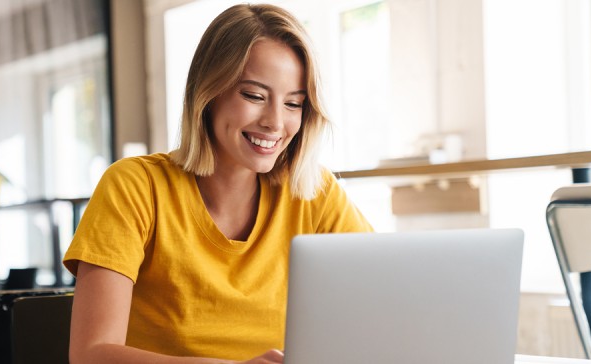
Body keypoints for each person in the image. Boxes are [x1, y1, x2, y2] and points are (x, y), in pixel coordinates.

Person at [63, 3, 372, 363]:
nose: (275, 122)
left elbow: (384, 298)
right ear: (208, 94)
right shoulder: (135, 186)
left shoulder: (314, 193)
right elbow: (90, 355)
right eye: (254, 96)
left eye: (294, 104)